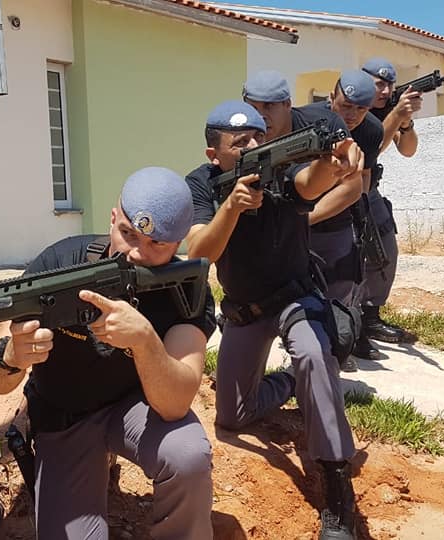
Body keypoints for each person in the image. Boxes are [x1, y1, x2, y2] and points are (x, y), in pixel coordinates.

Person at [0, 167, 217, 540]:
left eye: (156, 244)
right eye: (128, 233)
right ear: (112, 218)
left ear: (179, 244)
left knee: (187, 454)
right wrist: (11, 356)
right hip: (65, 415)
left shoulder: (186, 288)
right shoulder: (61, 264)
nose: (136, 253)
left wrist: (145, 340)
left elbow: (174, 404)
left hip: (135, 408)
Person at [185, 95, 363, 539]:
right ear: (214, 154)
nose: (252, 145)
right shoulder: (202, 183)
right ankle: (290, 383)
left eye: (258, 137)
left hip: (295, 299)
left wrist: (333, 162)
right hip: (245, 310)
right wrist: (232, 207)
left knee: (313, 353)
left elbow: (310, 182)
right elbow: (199, 253)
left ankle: (336, 485)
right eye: (239, 141)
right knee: (233, 416)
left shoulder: (281, 167)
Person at [291, 70, 383, 371]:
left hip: (337, 215)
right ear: (331, 97)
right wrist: (299, 219)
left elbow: (362, 181)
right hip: (297, 213)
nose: (352, 115)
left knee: (341, 286)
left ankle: (335, 346)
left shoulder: (371, 130)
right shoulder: (304, 119)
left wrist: (356, 215)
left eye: (361, 109)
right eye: (346, 106)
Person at [351, 57, 424, 359]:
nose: (385, 90)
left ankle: (371, 317)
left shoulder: (388, 110)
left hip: (370, 191)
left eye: (389, 85)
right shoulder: (352, 108)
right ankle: (349, 322)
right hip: (343, 190)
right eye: (379, 84)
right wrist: (396, 114)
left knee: (385, 249)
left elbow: (408, 150)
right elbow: (372, 147)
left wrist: (405, 123)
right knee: (350, 255)